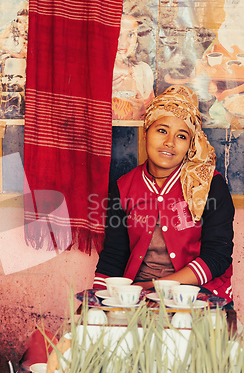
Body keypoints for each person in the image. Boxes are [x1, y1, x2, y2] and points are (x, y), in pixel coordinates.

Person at [94, 85, 235, 305]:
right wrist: (98, 303)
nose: (170, 142)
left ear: (190, 144)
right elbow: (114, 256)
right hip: (138, 297)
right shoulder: (124, 187)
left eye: (181, 136)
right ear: (145, 132)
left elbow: (217, 257)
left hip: (198, 296)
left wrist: (155, 287)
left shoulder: (210, 185)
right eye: (162, 130)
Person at [112, 0, 155, 121]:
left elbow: (152, 122)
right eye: (117, 34)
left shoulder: (143, 71)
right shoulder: (95, 73)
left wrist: (141, 112)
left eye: (130, 34)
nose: (123, 43)